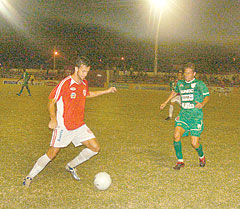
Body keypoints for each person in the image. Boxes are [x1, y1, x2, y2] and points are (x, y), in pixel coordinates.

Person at [23, 56, 117, 187]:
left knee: (95, 148)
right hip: (64, 127)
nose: (85, 74)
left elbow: (87, 94)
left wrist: (106, 91)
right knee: (52, 153)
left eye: (87, 72)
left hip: (79, 125)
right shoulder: (65, 83)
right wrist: (53, 118)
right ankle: (29, 176)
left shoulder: (84, 83)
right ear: (76, 68)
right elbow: (51, 101)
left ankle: (71, 166)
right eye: (83, 71)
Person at [160, 63, 209, 170]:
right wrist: (165, 102)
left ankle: (201, 156)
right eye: (185, 73)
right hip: (183, 115)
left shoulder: (199, 84)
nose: (186, 75)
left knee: (194, 143)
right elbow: (174, 92)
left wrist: (202, 104)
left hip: (195, 117)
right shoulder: (180, 84)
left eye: (189, 73)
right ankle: (180, 161)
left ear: (194, 74)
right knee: (176, 135)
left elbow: (206, 96)